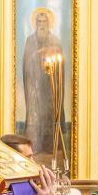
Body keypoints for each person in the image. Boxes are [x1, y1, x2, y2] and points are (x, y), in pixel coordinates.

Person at [22, 9, 65, 159]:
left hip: (50, 85)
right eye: (39, 22)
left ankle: (50, 146)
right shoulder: (30, 41)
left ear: (49, 23)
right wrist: (36, 55)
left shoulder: (55, 41)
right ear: (35, 23)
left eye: (44, 21)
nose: (42, 25)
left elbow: (60, 64)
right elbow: (26, 63)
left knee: (50, 113)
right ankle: (34, 145)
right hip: (35, 85)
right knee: (35, 113)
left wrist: (49, 52)